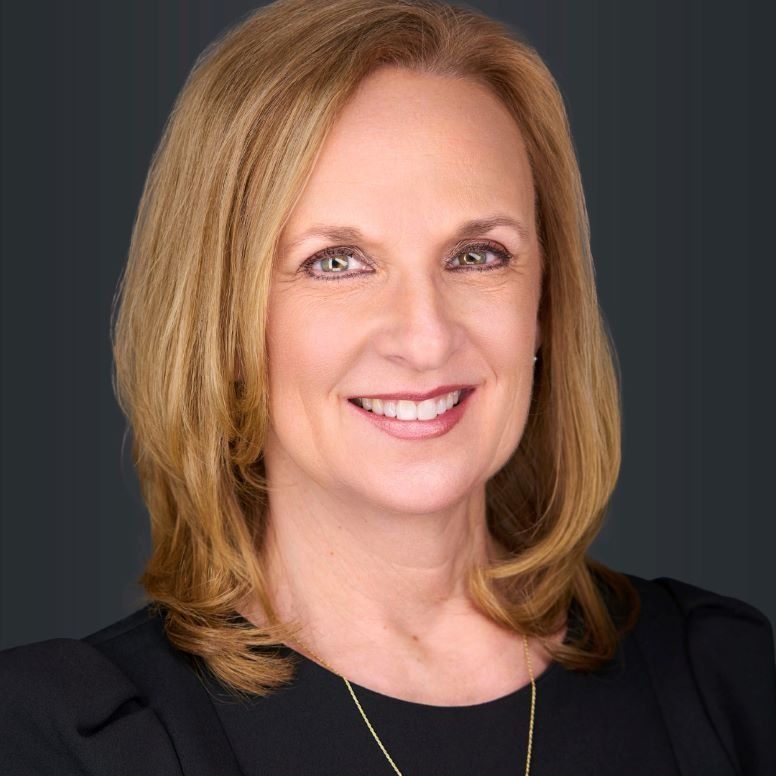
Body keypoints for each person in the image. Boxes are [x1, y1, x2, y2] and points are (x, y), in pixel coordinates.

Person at [1, 0, 774, 773]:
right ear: (222, 319)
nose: (426, 336)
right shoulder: (67, 741)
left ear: (546, 301)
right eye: (336, 261)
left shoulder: (724, 682)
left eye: (477, 255)